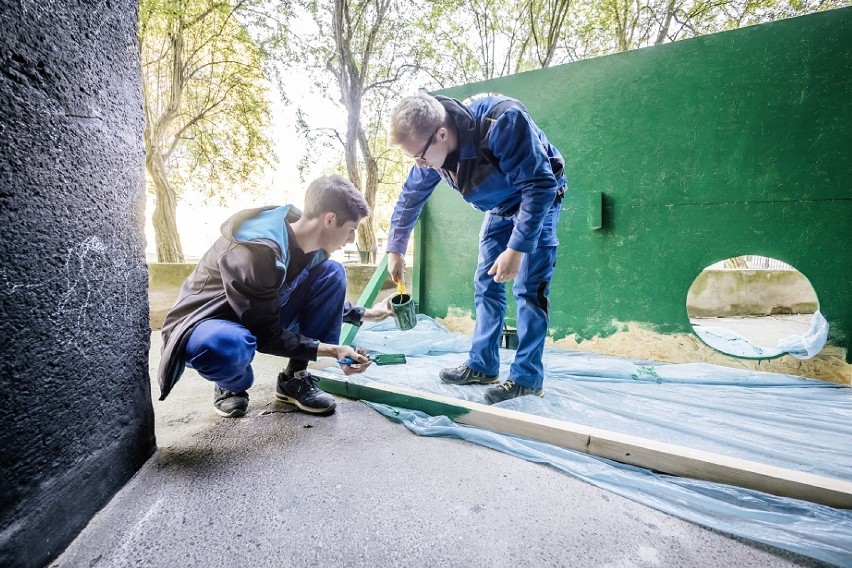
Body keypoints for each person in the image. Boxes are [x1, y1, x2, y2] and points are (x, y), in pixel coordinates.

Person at [157, 174, 394, 417]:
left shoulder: (309, 250)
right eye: (351, 230)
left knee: (332, 273)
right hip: (209, 323)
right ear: (330, 220)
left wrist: (370, 313)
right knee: (226, 346)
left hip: (259, 313)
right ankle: (231, 386)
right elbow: (265, 334)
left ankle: (295, 378)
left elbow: (313, 300)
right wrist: (334, 350)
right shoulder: (257, 251)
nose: (352, 240)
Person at [386, 93, 567, 404]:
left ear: (441, 134)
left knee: (528, 288)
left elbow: (539, 185)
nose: (418, 164)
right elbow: (410, 197)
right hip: (499, 207)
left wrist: (517, 248)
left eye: (419, 156)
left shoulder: (503, 122)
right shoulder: (430, 149)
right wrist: (396, 249)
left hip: (538, 198)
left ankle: (527, 378)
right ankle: (483, 365)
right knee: (486, 283)